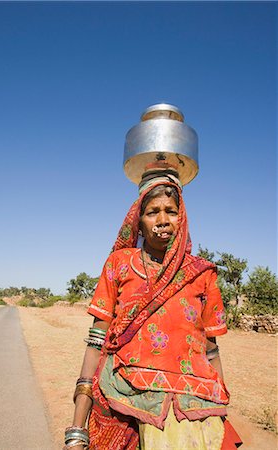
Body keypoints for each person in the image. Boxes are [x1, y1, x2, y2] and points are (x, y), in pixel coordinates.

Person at [63, 163, 242, 450]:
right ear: (139, 220)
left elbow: (211, 351)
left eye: (171, 211)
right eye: (152, 212)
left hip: (193, 406)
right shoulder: (120, 264)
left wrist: (219, 409)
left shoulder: (202, 273)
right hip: (124, 396)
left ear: (181, 217)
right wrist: (76, 430)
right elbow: (96, 344)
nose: (162, 220)